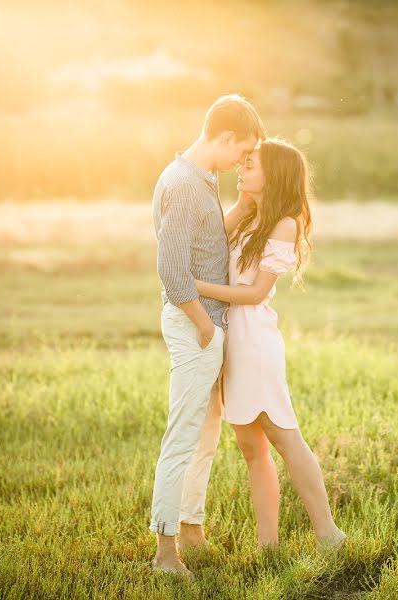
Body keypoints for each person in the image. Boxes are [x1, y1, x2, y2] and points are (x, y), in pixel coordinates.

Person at [194, 138, 346, 552]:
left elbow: (256, 292)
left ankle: (328, 533)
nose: (241, 171)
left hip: (255, 341)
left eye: (251, 166)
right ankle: (268, 545)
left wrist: (195, 288)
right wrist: (242, 205)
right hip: (232, 341)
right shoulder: (248, 219)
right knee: (250, 447)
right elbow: (209, 242)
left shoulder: (285, 223)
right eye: (242, 165)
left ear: (274, 175)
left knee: (284, 437)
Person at [150, 94, 265, 578]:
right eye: (242, 151)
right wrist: (203, 325)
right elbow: (172, 269)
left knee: (206, 435)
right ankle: (165, 553)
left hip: (207, 324)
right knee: (183, 437)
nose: (243, 160)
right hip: (195, 324)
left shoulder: (203, 177)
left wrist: (241, 208)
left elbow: (206, 239)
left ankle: (192, 530)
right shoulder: (182, 183)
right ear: (223, 137)